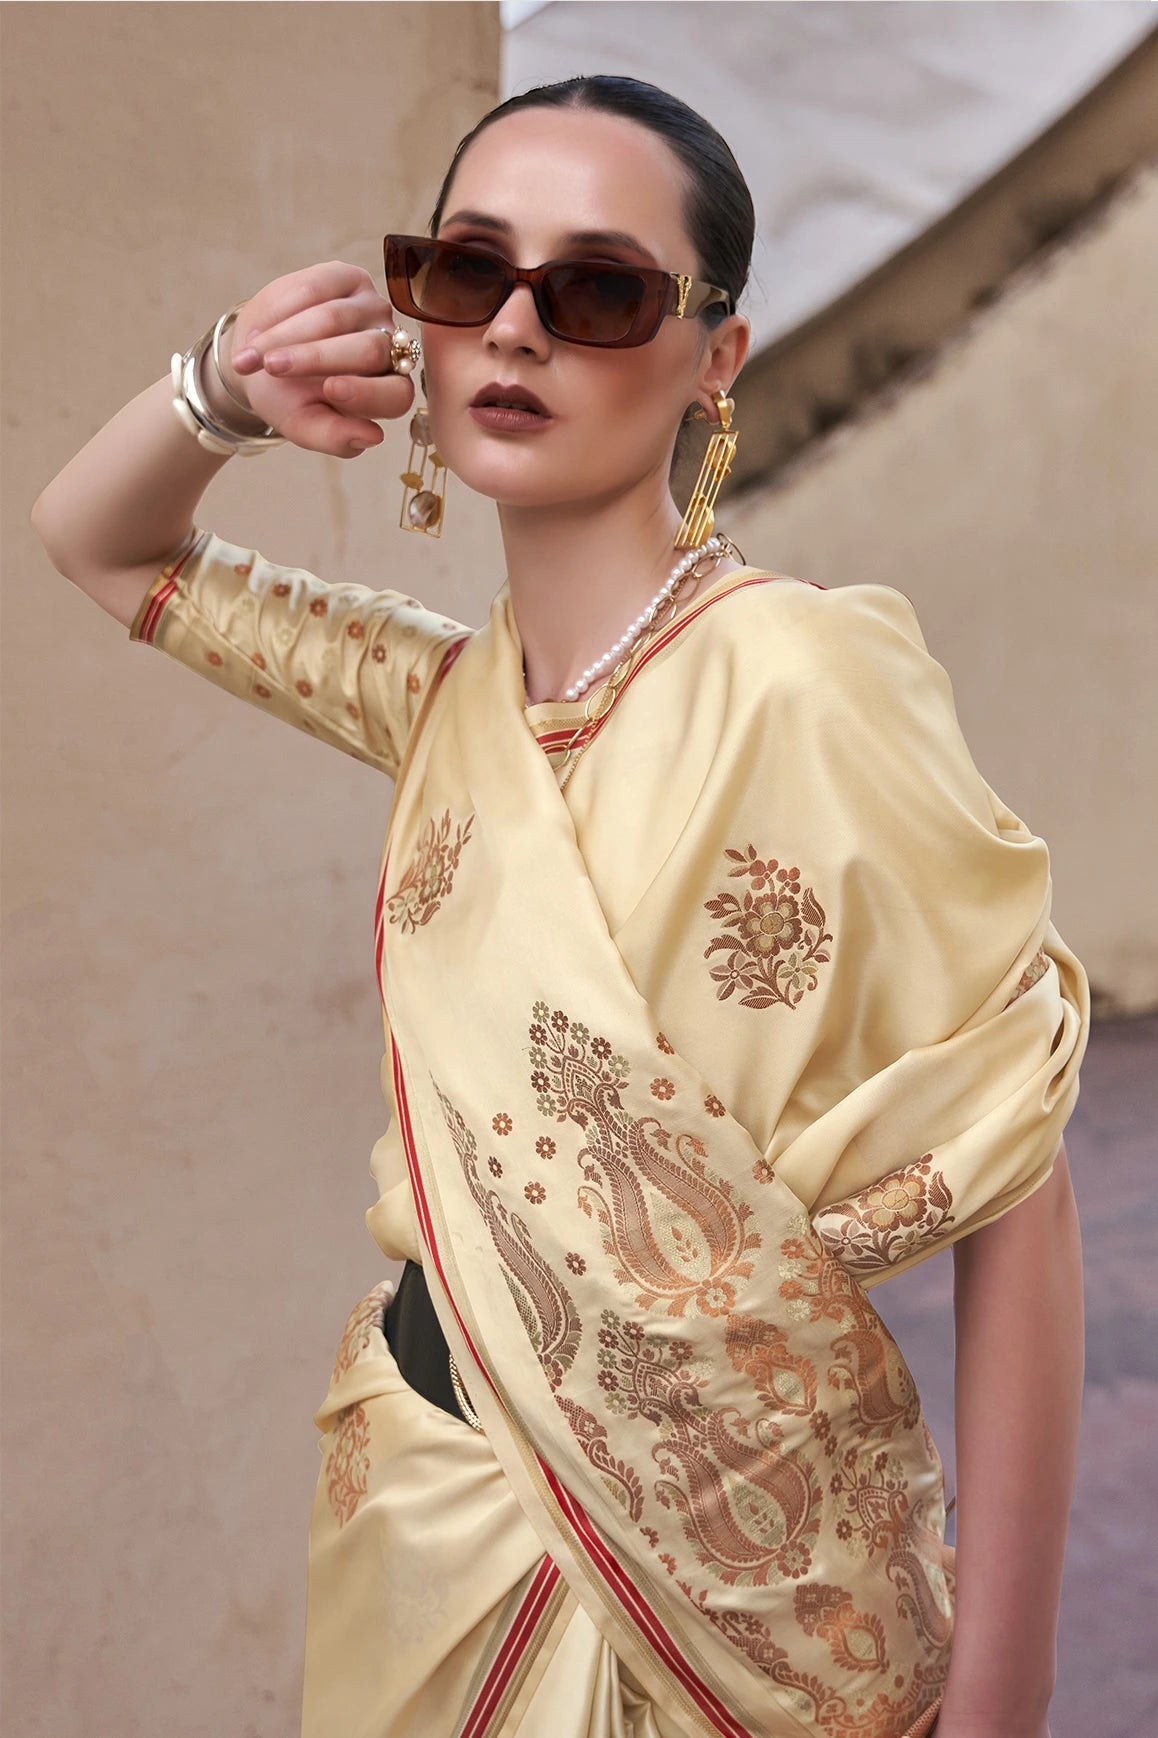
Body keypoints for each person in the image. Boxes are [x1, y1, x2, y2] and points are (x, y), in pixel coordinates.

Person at [31, 74, 1087, 1738]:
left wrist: (1003, 1692)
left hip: (751, 1583)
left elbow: (1015, 1180)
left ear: (714, 357)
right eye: (467, 272)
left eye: (595, 290)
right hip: (423, 1517)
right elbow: (99, 543)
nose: (514, 329)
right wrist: (223, 387)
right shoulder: (443, 700)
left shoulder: (799, 680)